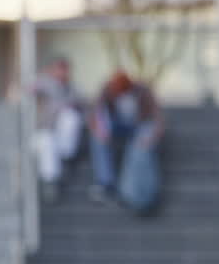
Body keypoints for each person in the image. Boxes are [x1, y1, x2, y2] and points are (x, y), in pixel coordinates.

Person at [87, 69, 165, 212]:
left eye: (121, 91)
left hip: (138, 126)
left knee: (140, 149)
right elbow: (94, 115)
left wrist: (151, 138)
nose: (118, 94)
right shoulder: (107, 90)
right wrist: (99, 130)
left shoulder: (143, 90)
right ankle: (106, 183)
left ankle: (138, 194)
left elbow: (158, 120)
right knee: (97, 139)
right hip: (117, 126)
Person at [32, 56, 82, 203]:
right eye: (59, 69)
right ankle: (50, 184)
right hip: (41, 132)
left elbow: (82, 102)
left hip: (60, 136)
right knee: (47, 142)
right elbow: (28, 90)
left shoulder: (71, 87)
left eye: (65, 70)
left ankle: (66, 158)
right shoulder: (45, 83)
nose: (62, 73)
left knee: (70, 117)